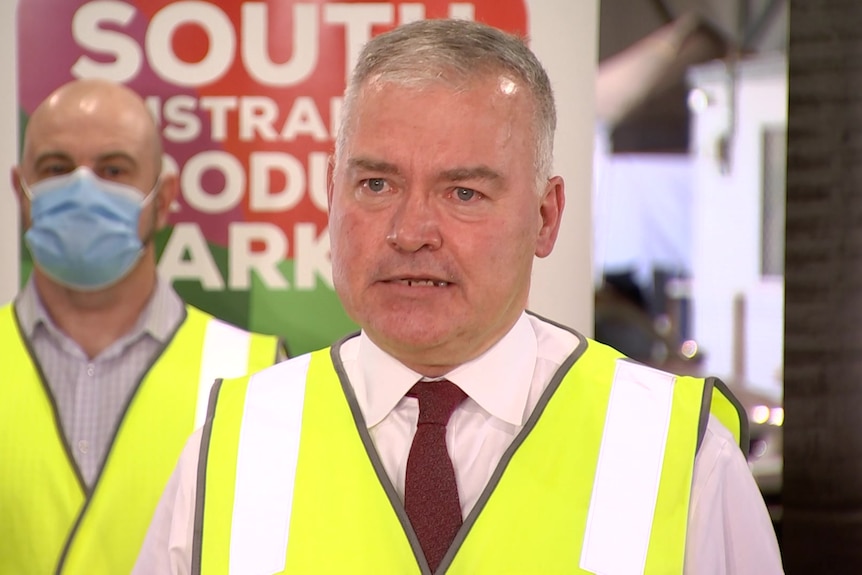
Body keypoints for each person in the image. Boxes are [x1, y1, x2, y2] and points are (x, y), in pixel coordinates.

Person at [133, 19, 783, 575]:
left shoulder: (679, 454)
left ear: (546, 216)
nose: (410, 231)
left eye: (463, 192)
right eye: (376, 184)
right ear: (333, 194)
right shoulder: (231, 448)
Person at [0, 78, 285, 575]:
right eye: (56, 168)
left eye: (113, 170)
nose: (83, 189)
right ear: (20, 188)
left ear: (164, 196)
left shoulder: (254, 373)